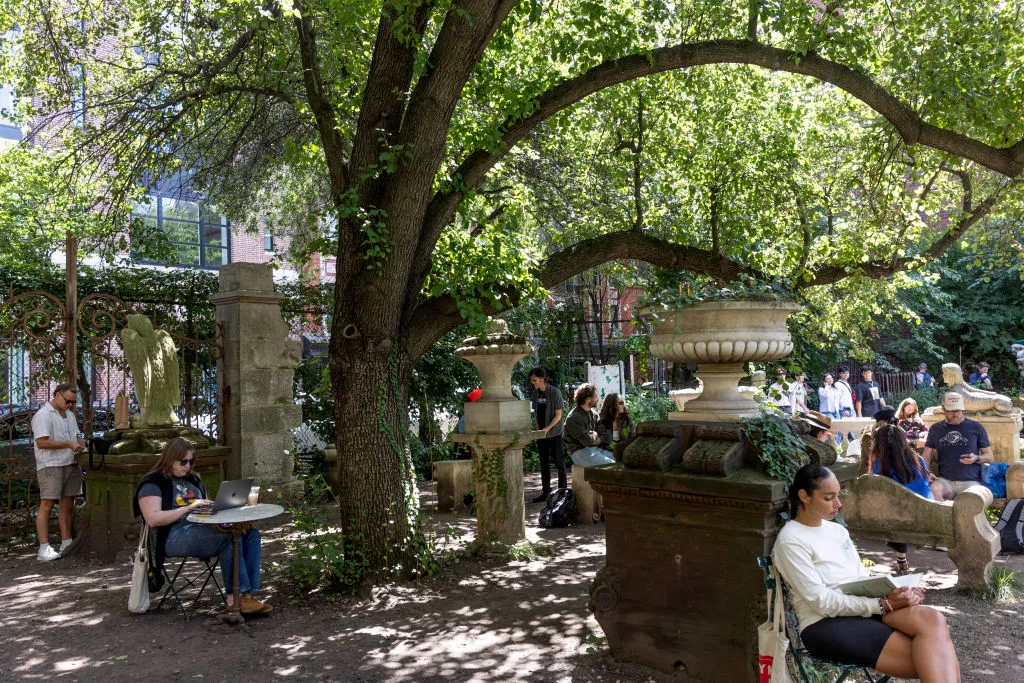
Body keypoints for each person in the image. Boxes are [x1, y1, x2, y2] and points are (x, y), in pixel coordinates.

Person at [772, 464, 961, 682]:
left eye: (838, 495)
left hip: (865, 609)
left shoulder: (837, 530)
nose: (838, 504)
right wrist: (881, 605)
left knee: (932, 619)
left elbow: (860, 578)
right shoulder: (791, 540)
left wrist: (900, 594)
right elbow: (820, 601)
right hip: (824, 623)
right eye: (828, 498)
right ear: (804, 496)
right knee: (934, 659)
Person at [134, 438, 271, 614]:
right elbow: (153, 519)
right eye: (183, 461)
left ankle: (249, 596)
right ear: (169, 459)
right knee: (230, 537)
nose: (187, 465)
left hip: (201, 526)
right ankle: (234, 599)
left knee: (250, 534)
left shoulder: (194, 479)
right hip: (172, 535)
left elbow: (200, 507)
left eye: (191, 461)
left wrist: (214, 506)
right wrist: (188, 508)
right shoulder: (153, 482)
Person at [30, 383, 87, 561]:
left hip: (70, 462)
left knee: (68, 505)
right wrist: (69, 444)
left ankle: (66, 543)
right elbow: (42, 442)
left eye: (73, 402)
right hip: (50, 464)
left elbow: (76, 436)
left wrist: (81, 444)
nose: (70, 405)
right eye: (68, 401)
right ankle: (44, 548)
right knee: (47, 505)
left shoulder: (69, 415)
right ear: (57, 395)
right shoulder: (43, 415)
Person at [870, 425, 935, 574]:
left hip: (896, 517)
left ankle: (901, 560)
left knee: (895, 508)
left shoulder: (879, 464)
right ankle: (903, 560)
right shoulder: (917, 459)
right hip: (925, 514)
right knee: (902, 507)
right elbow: (924, 484)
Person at [923, 392, 992, 502]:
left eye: (958, 410)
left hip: (970, 481)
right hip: (945, 480)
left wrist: (976, 458)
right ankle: (943, 518)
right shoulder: (936, 429)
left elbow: (989, 456)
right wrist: (926, 472)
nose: (955, 414)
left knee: (972, 498)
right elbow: (926, 456)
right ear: (943, 409)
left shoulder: (976, 427)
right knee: (934, 489)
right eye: (951, 410)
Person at [528, 367, 566, 502]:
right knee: (544, 464)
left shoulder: (555, 392)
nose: (533, 383)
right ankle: (545, 492)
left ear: (543, 378)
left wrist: (547, 429)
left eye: (535, 380)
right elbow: (537, 414)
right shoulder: (535, 394)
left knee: (559, 462)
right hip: (542, 434)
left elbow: (558, 415)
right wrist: (539, 430)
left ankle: (563, 492)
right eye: (532, 381)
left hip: (555, 433)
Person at [563, 384, 615, 467]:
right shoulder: (574, 417)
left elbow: (604, 436)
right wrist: (595, 435)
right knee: (611, 465)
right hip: (579, 453)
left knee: (618, 460)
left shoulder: (594, 414)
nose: (597, 399)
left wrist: (594, 437)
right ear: (588, 399)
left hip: (594, 449)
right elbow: (586, 441)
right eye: (595, 396)